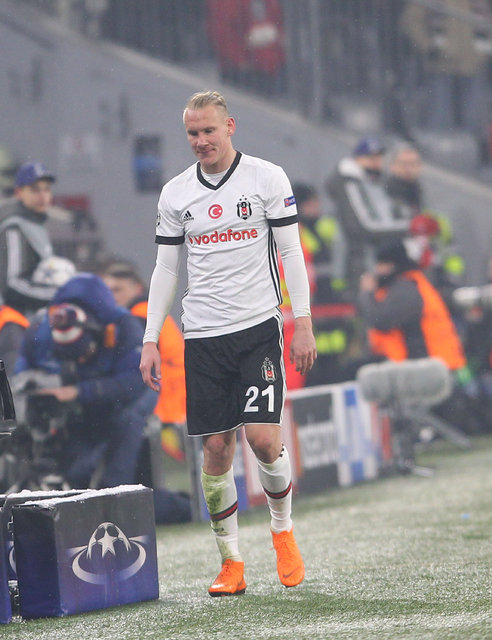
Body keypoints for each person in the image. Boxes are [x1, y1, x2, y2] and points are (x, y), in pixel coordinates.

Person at [140, 90, 317, 596]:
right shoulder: (175, 194)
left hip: (257, 328)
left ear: (230, 126)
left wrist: (302, 321)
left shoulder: (267, 178)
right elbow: (166, 269)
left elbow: (291, 252)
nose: (201, 141)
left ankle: (282, 531)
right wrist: (150, 338)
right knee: (216, 448)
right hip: (203, 336)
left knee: (262, 440)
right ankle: (231, 562)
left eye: (208, 131)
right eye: (192, 133)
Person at [15, 273, 156, 489]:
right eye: (73, 356)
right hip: (80, 397)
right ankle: (69, 480)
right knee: (77, 464)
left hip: (128, 394)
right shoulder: (40, 332)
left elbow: (137, 381)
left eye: (84, 353)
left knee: (128, 418)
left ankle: (116, 488)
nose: (80, 360)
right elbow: (20, 376)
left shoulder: (124, 326)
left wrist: (80, 391)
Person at [102, 259, 187, 457]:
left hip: (162, 411)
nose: (112, 296)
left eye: (118, 290)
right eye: (108, 291)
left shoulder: (139, 317)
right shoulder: (150, 312)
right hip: (174, 408)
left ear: (137, 288)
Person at [326, 136, 411, 295]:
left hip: (376, 262)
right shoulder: (349, 184)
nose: (376, 163)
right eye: (371, 158)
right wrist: (408, 227)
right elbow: (362, 226)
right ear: (357, 159)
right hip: (358, 264)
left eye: (379, 158)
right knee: (364, 303)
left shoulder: (375, 184)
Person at [0, 161, 68, 317]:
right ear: (19, 192)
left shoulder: (34, 222)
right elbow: (12, 285)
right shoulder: (14, 227)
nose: (42, 196)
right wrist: (59, 294)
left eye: (47, 189)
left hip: (27, 314)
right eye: (35, 189)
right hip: (13, 319)